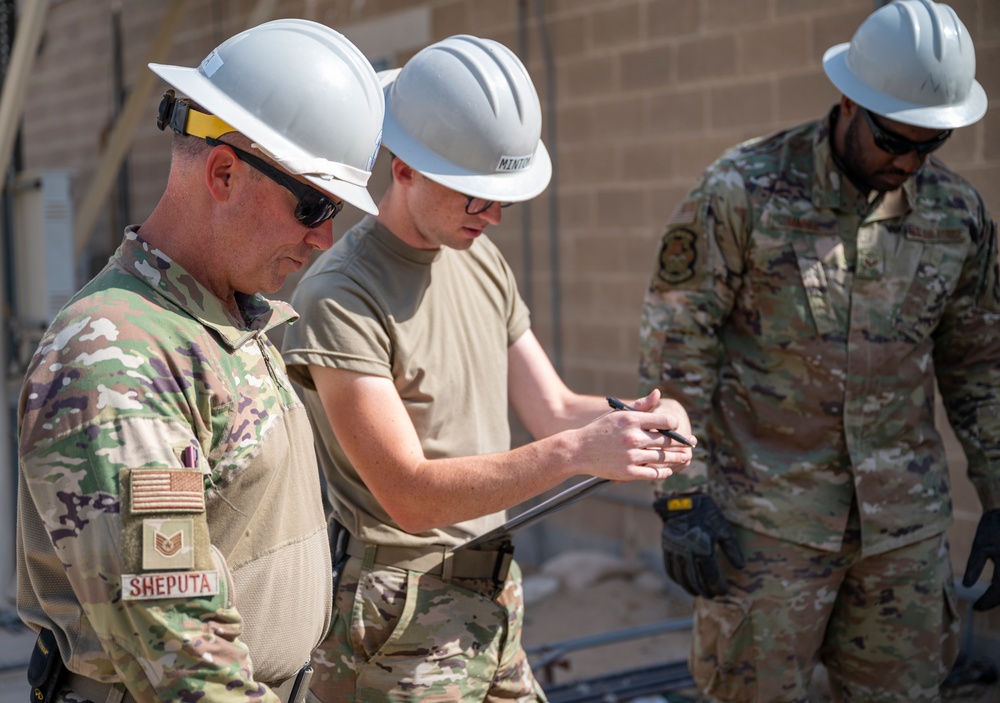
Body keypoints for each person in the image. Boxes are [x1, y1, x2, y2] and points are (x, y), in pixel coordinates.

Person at [280, 34, 694, 703]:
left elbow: (555, 407)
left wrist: (647, 418)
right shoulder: (340, 295)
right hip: (399, 617)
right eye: (474, 196)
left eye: (503, 197)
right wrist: (576, 451)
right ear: (404, 166)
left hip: (494, 594)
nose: (494, 216)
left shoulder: (478, 258)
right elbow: (409, 495)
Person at [638, 0, 1000, 701]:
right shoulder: (742, 191)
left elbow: (978, 364)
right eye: (895, 140)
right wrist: (680, 496)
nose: (910, 161)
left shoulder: (957, 215)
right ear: (848, 101)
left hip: (903, 534)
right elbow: (678, 351)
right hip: (765, 530)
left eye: (932, 145)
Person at [16, 19, 385, 703]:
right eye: (313, 204)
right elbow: (182, 656)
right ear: (222, 172)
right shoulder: (117, 360)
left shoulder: (221, 323)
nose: (325, 236)